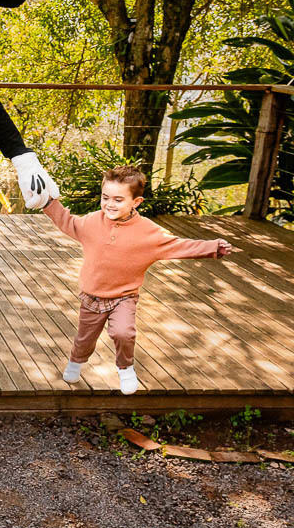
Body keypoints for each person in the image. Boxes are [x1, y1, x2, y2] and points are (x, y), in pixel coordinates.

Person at [42, 164, 233, 395]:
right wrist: (48, 203)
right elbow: (68, 222)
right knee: (84, 339)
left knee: (123, 332)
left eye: (118, 199)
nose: (110, 204)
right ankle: (75, 362)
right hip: (92, 296)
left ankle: (126, 369)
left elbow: (179, 245)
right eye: (105, 197)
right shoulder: (92, 222)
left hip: (124, 297)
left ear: (136, 202)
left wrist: (213, 247)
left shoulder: (148, 233)